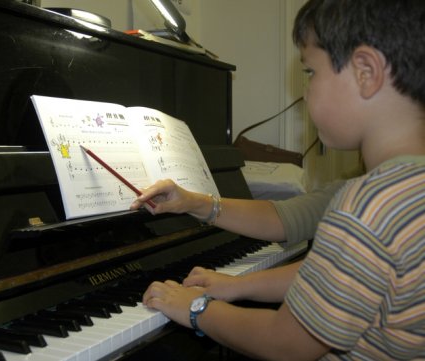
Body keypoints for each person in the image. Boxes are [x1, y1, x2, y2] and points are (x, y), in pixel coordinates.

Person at [130, 0, 425, 359]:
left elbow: (284, 343)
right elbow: (335, 279)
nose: (307, 92)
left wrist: (197, 309)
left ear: (366, 71)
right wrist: (237, 285)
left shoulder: (366, 205)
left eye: (312, 73)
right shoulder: (407, 191)